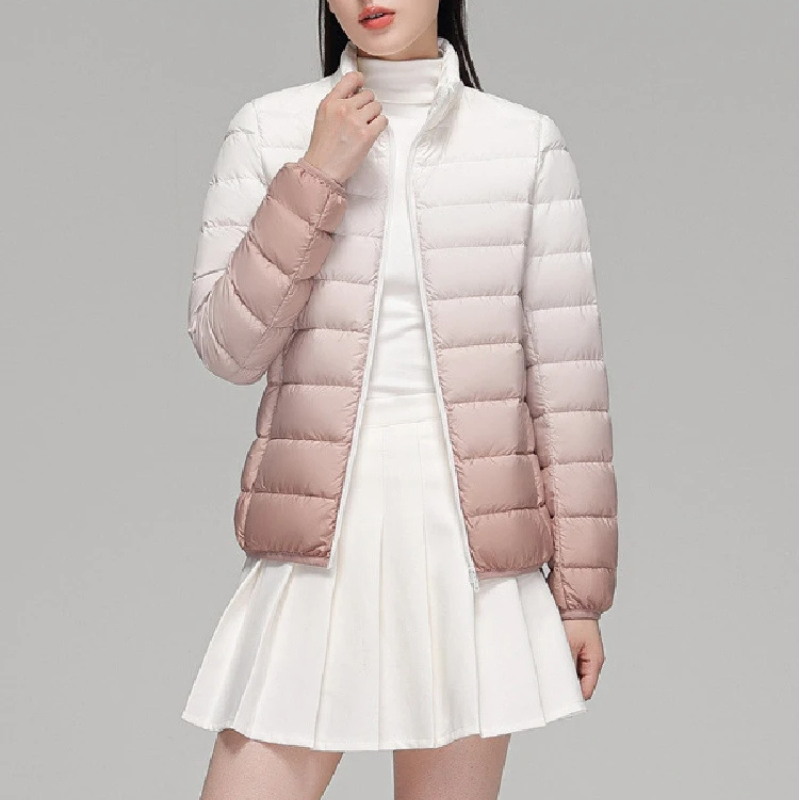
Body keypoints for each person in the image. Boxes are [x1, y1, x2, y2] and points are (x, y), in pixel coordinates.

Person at [181, 1, 619, 798]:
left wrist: (579, 597)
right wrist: (318, 173)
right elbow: (228, 347)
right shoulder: (270, 130)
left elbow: (569, 389)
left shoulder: (523, 144)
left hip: (471, 556)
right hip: (319, 539)